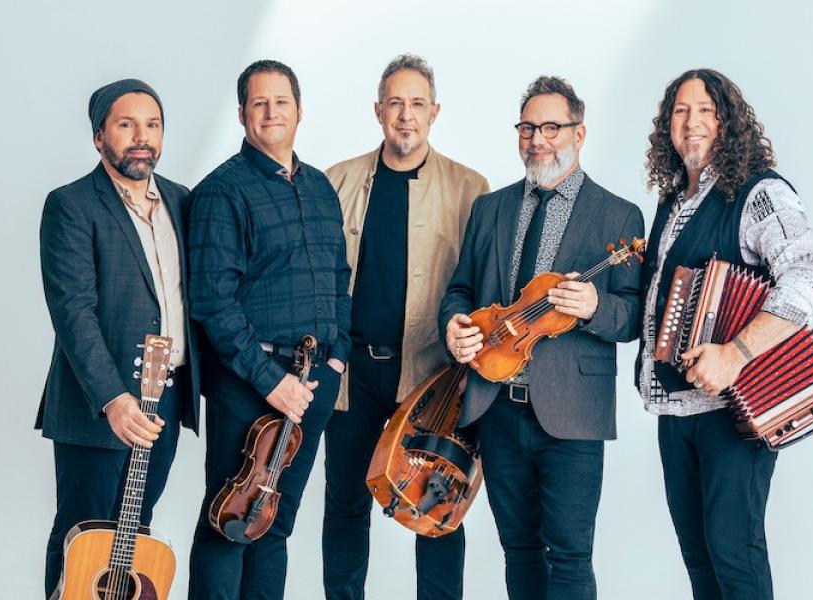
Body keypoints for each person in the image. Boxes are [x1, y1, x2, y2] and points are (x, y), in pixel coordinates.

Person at [439, 76, 644, 600]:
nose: (538, 139)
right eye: (528, 127)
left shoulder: (619, 215)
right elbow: (461, 289)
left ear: (580, 132)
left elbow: (635, 316)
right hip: (498, 407)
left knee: (571, 555)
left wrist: (597, 307)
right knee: (519, 549)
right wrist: (456, 326)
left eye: (551, 127)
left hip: (573, 413)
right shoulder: (491, 208)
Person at [637, 68, 813, 600]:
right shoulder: (672, 200)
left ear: (728, 121)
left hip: (733, 412)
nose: (691, 122)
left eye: (705, 110)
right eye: (680, 111)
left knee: (733, 556)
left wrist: (735, 353)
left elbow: (808, 276)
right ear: (667, 125)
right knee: (700, 560)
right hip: (674, 413)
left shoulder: (760, 193)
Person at [321, 54, 489, 600]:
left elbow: (484, 289)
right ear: (378, 110)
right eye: (395, 103)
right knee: (344, 501)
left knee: (436, 507)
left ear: (435, 113)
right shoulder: (338, 181)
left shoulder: (470, 189)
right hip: (352, 375)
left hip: (431, 377)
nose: (406, 116)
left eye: (417, 104)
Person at [186, 59, 351, 599]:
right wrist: (269, 380)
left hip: (314, 385)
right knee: (229, 524)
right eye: (259, 103)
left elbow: (340, 277)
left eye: (281, 102)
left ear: (300, 111)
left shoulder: (321, 188)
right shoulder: (221, 192)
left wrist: (337, 358)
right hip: (249, 383)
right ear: (241, 115)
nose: (271, 112)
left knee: (275, 525)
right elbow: (213, 301)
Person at [38, 78, 200, 598]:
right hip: (97, 407)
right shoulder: (70, 205)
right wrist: (112, 398)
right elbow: (73, 313)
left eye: (152, 125)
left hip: (166, 400)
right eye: (126, 124)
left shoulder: (182, 201)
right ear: (99, 136)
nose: (141, 137)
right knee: (82, 537)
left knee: (133, 538)